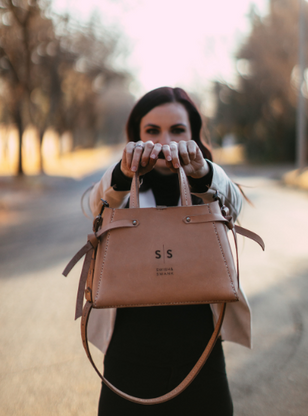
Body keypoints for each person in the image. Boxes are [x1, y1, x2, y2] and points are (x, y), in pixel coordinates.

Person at [87, 87, 252, 415]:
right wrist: (123, 174)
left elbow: (233, 205)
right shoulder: (119, 181)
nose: (165, 142)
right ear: (135, 136)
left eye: (177, 130)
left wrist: (203, 174)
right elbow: (96, 207)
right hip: (129, 351)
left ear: (193, 135)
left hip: (201, 350)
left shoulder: (207, 181)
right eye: (152, 131)